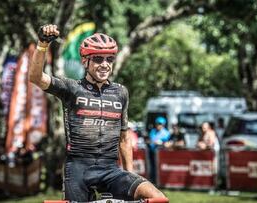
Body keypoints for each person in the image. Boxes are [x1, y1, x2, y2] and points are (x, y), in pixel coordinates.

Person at [29, 24, 166, 202]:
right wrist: (42, 45)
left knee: (159, 198)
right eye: (98, 59)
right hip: (79, 168)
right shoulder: (72, 88)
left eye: (109, 59)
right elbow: (35, 77)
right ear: (85, 61)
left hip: (111, 168)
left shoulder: (120, 92)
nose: (105, 64)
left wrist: (129, 175)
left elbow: (124, 139)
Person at [147, 117, 170, 183]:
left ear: (163, 124)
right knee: (152, 167)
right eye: (157, 123)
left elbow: (168, 143)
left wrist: (161, 143)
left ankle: (159, 181)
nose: (158, 125)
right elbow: (150, 140)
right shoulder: (153, 131)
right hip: (152, 152)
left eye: (160, 124)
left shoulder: (166, 133)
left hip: (161, 154)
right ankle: (152, 180)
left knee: (159, 167)